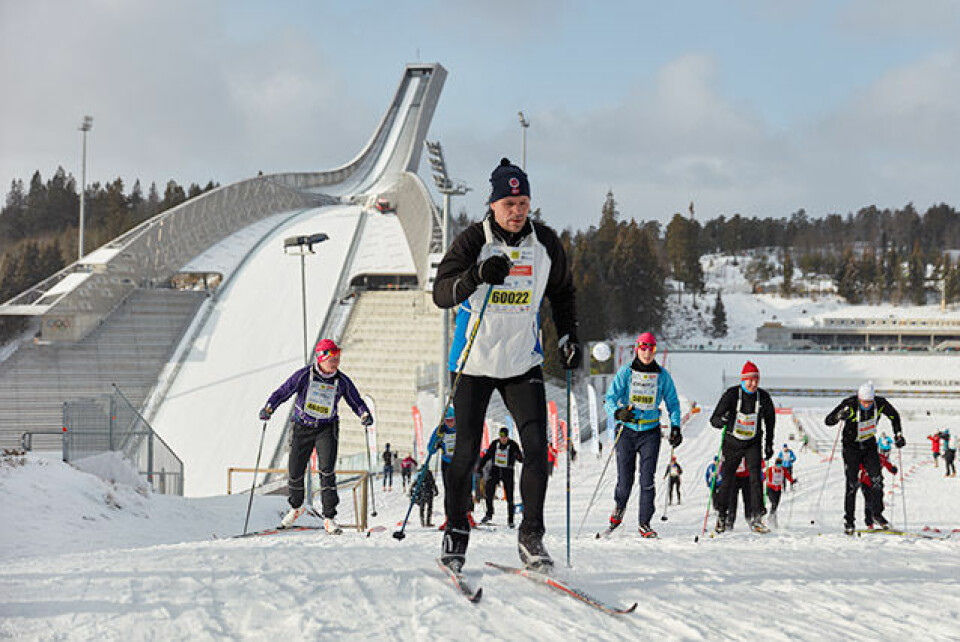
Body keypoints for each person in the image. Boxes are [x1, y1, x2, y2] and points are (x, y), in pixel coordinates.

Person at [431, 157, 579, 572]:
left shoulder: (544, 243)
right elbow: (441, 293)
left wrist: (568, 336)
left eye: (523, 203)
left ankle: (531, 536)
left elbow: (563, 293)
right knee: (463, 452)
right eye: (509, 204)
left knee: (536, 449)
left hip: (521, 361)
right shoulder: (471, 241)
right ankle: (456, 530)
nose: (517, 211)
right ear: (493, 204)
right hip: (473, 362)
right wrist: (476, 275)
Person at [259, 339, 373, 534]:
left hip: (326, 428)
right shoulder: (304, 375)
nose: (336, 363)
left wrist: (364, 414)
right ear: (321, 359)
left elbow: (355, 400)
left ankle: (329, 517)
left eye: (337, 359)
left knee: (327, 470)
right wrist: (269, 407)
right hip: (302, 427)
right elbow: (283, 392)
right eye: (332, 360)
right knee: (295, 470)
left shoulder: (341, 380)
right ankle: (296, 507)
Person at [604, 332, 683, 539]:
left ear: (655, 351)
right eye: (643, 348)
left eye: (651, 349)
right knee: (625, 480)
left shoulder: (662, 375)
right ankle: (619, 508)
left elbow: (673, 404)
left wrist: (675, 426)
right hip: (626, 431)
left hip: (650, 432)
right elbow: (609, 398)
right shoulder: (626, 372)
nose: (647, 353)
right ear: (637, 349)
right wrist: (617, 412)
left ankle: (644, 522)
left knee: (647, 479)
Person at [824, 380, 905, 534]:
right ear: (859, 398)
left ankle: (877, 514)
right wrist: (839, 416)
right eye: (863, 402)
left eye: (869, 402)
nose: (866, 405)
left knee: (877, 479)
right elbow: (828, 421)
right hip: (851, 447)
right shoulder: (849, 404)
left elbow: (894, 416)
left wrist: (898, 434)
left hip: (869, 445)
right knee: (852, 484)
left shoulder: (880, 404)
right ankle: (849, 520)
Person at [709, 360, 776, 534]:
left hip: (753, 442)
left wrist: (769, 444)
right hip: (732, 443)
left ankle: (757, 516)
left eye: (756, 380)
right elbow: (714, 419)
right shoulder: (731, 395)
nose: (753, 383)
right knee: (727, 479)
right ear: (743, 379)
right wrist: (722, 420)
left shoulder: (763, 397)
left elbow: (770, 421)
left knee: (755, 478)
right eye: (750, 380)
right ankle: (722, 516)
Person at [477, 427, 524, 527]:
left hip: (508, 471)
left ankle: (510, 520)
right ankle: (489, 514)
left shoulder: (513, 445)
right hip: (495, 470)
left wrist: (518, 456)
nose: (503, 439)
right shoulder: (495, 444)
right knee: (489, 492)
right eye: (501, 437)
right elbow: (487, 456)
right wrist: (480, 467)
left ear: (507, 436)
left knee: (509, 496)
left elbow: (520, 459)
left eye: (505, 437)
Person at [858, 448, 897, 529]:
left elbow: (887, 464)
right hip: (865, 482)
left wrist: (892, 469)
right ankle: (869, 523)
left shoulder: (881, 457)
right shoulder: (865, 457)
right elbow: (859, 466)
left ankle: (877, 516)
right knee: (869, 501)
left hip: (876, 482)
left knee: (878, 500)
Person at [765, 456, 795, 528]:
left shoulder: (783, 470)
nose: (778, 467)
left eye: (780, 465)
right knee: (774, 504)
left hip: (778, 490)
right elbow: (763, 477)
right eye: (777, 465)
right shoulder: (770, 469)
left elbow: (787, 476)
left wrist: (792, 481)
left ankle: (774, 522)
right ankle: (771, 518)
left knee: (775, 506)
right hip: (770, 489)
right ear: (775, 464)